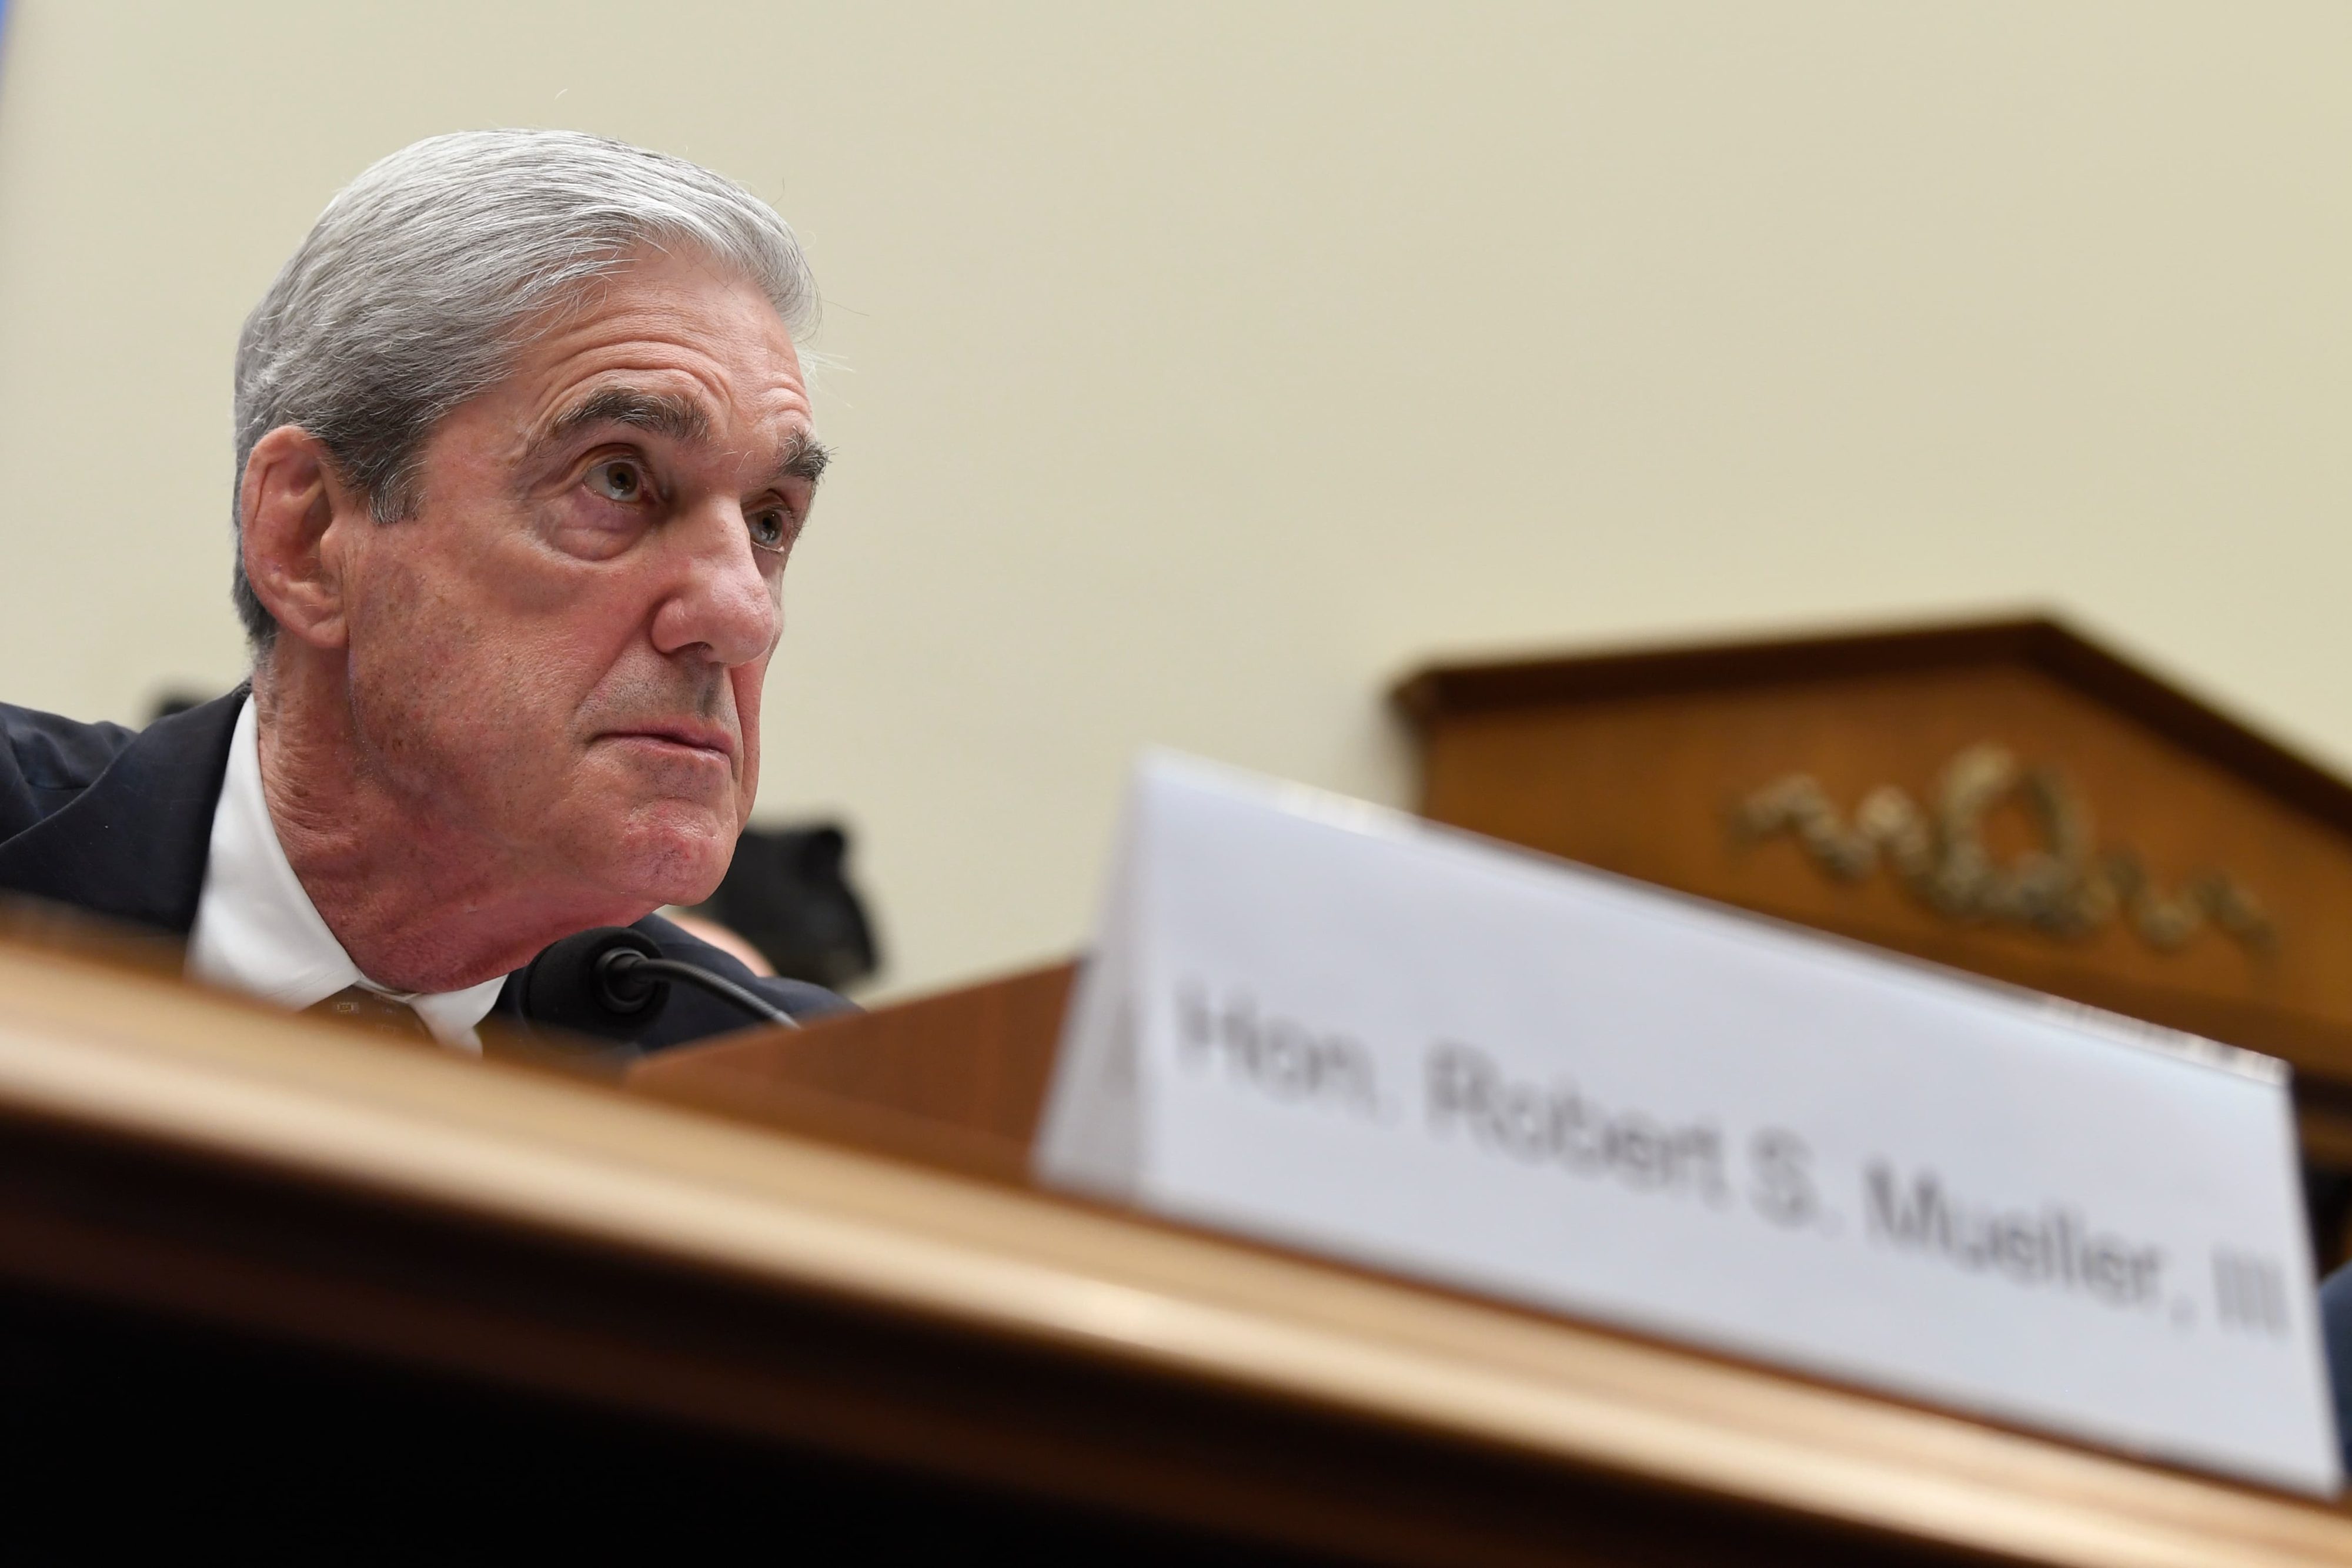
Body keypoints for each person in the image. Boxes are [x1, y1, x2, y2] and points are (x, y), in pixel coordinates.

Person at [0, 130, 847, 1051]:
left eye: (768, 523)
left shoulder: (777, 1083)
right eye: (617, 480)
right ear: (310, 536)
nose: (741, 615)